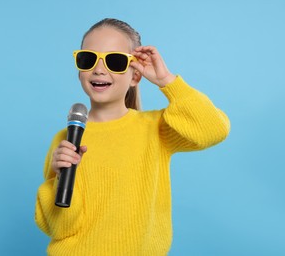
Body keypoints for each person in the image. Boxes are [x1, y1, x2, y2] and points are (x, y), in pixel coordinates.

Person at [34, 18, 230, 255]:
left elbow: (213, 129)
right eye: (88, 59)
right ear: (79, 71)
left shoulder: (155, 129)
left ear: (135, 76)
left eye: (114, 61)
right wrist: (59, 179)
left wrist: (167, 81)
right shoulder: (65, 138)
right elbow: (60, 227)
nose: (99, 69)